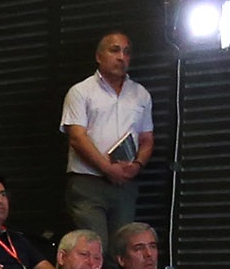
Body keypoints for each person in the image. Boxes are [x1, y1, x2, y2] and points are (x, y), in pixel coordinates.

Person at [58, 29, 158, 237]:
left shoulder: (141, 94)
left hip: (124, 183)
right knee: (94, 244)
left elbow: (147, 139)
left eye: (127, 52)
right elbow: (77, 137)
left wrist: (137, 166)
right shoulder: (81, 91)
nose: (122, 57)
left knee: (122, 248)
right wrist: (107, 168)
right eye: (115, 50)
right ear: (99, 56)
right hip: (88, 181)